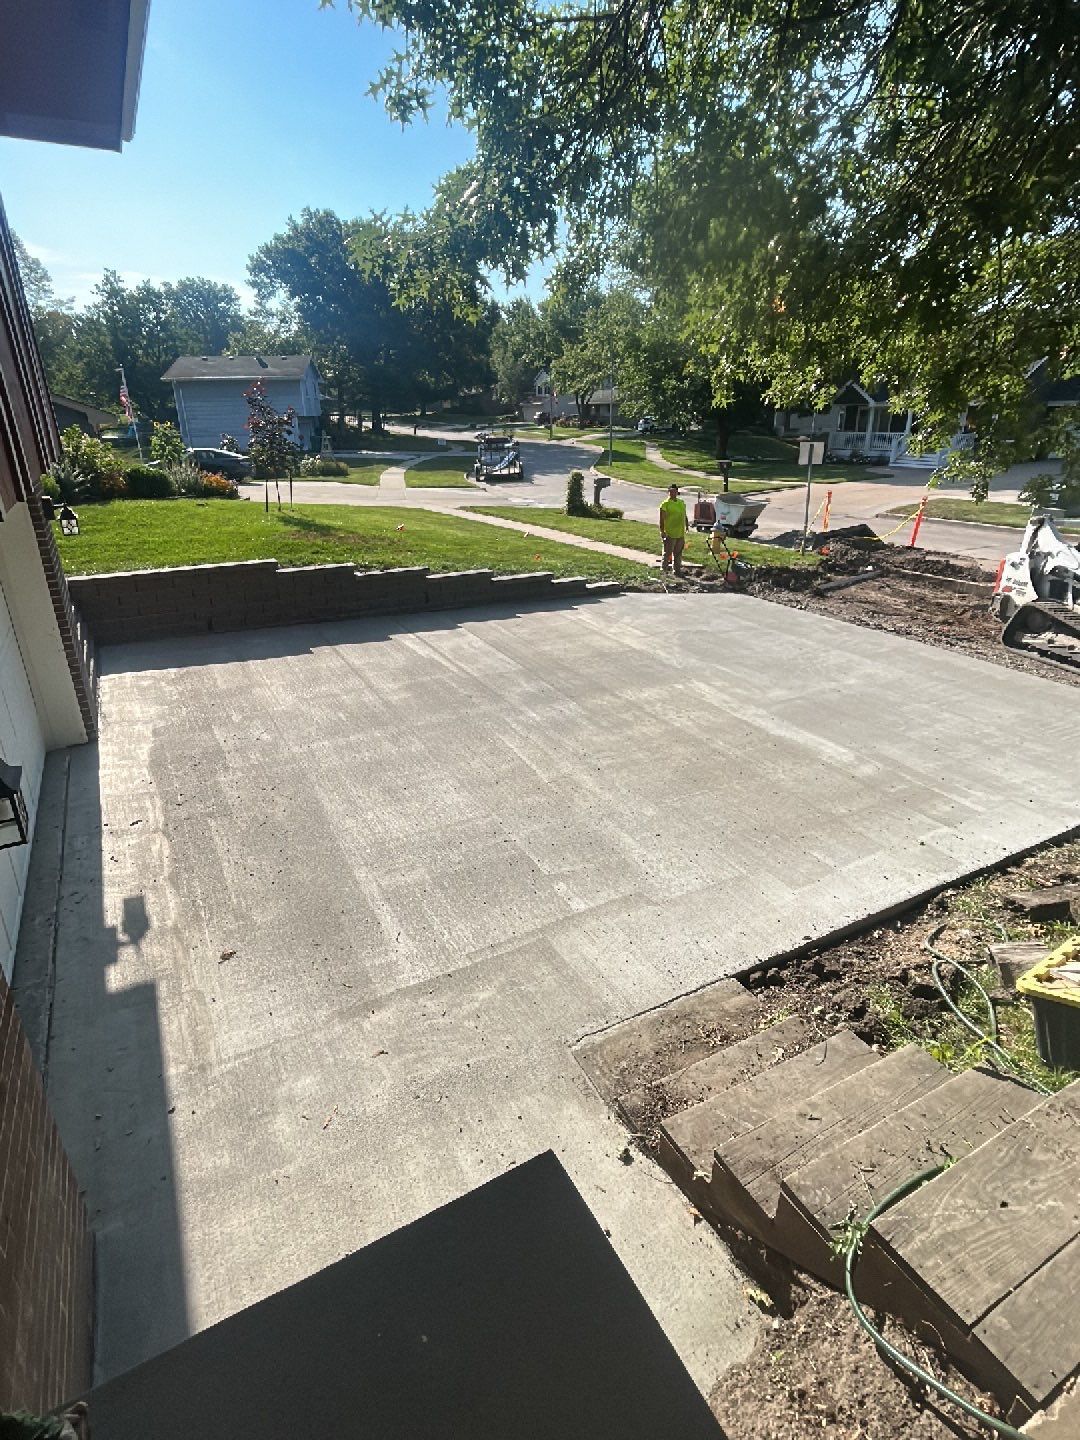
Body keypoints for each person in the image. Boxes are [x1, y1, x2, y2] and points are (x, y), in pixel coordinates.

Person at [659, 483, 688, 576]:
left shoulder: (681, 502)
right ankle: (663, 570)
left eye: (674, 491)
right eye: (671, 491)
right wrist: (662, 531)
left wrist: (687, 525)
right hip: (670, 533)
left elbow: (684, 515)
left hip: (680, 533)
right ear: (668, 492)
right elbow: (662, 519)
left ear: (677, 492)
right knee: (667, 553)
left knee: (678, 554)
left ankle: (677, 571)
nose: (672, 493)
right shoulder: (665, 504)